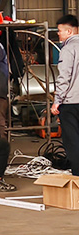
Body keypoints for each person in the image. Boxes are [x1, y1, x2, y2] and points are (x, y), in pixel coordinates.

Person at [51, 14, 79, 176]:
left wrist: (57, 101)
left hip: (71, 103)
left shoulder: (68, 49)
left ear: (69, 31)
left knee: (73, 141)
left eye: (60, 31)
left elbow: (64, 77)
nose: (58, 34)